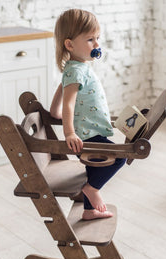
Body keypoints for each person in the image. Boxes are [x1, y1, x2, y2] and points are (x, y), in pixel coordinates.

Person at [49, 9, 126, 220]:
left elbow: (61, 96)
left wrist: (53, 112)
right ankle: (92, 189)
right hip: (85, 135)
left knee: (96, 165)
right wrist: (69, 133)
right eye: (90, 40)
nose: (97, 45)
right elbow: (69, 105)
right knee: (119, 156)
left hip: (88, 131)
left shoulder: (74, 68)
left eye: (97, 38)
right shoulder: (76, 70)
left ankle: (89, 210)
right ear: (70, 45)